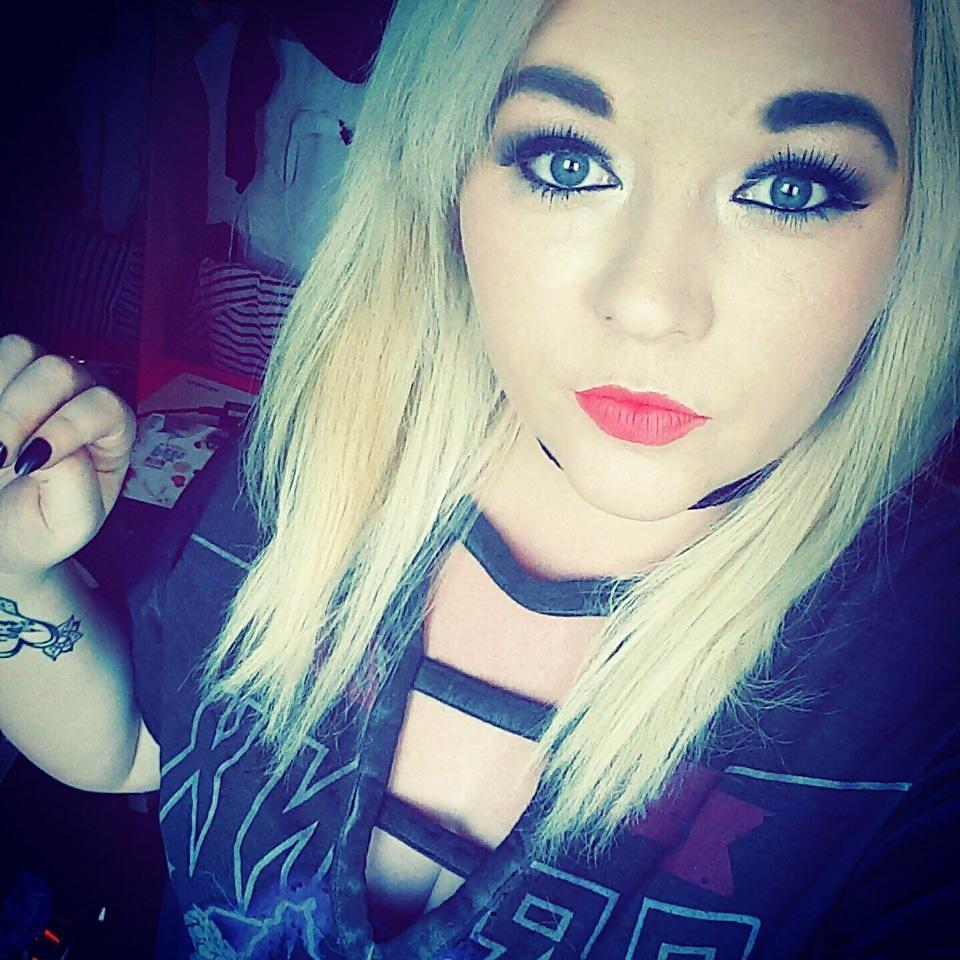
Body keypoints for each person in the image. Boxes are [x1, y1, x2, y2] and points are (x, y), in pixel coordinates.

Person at [1, 0, 958, 955]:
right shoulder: (333, 445)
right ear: (446, 170)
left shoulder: (927, 668)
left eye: (791, 188)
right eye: (568, 163)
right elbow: (143, 751)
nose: (650, 302)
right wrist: (18, 575)